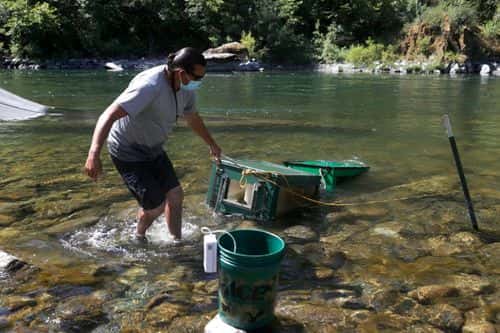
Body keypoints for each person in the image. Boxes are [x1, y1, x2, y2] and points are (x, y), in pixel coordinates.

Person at [84, 47, 221, 242]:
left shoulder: (185, 88)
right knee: (155, 206)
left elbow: (192, 117)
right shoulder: (149, 86)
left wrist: (212, 144)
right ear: (181, 73)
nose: (199, 82)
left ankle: (176, 242)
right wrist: (94, 153)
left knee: (175, 195)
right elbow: (109, 114)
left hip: (154, 147)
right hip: (127, 150)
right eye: (197, 78)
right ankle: (138, 234)